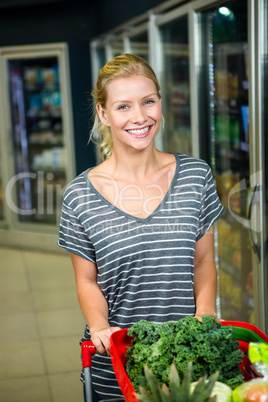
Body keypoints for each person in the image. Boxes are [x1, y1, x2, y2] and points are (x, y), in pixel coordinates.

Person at [58, 53, 224, 400]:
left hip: (190, 363)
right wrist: (100, 327)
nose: (140, 117)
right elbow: (86, 280)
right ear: (103, 113)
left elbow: (204, 261)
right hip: (118, 362)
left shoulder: (196, 176)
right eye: (123, 106)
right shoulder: (79, 195)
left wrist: (205, 311)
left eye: (148, 102)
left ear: (160, 103)